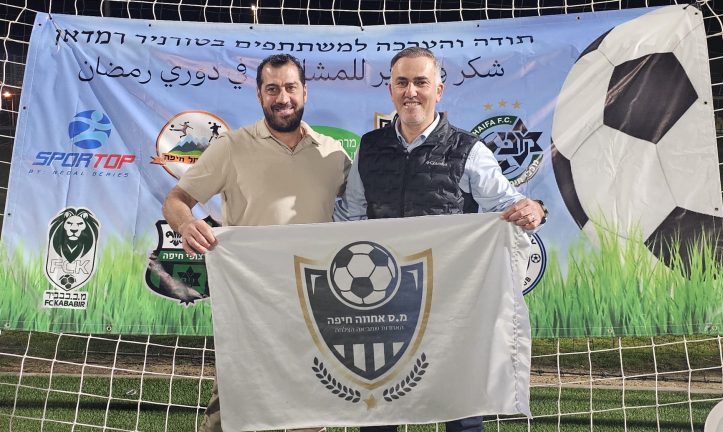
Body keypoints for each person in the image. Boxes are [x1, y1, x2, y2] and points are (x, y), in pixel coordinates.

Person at [334, 47, 547, 432]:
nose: (411, 92)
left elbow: (507, 202)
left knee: (461, 410)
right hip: (381, 300)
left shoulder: (468, 149)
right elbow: (350, 217)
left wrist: (534, 208)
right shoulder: (370, 147)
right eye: (402, 82)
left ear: (439, 90)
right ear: (390, 90)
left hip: (450, 301)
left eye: (421, 82)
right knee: (377, 409)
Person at [162, 53, 350, 432]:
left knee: (308, 413)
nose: (283, 98)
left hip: (314, 306)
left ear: (305, 92)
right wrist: (186, 224)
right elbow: (176, 201)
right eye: (272, 89)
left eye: (290, 88)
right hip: (248, 304)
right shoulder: (231, 147)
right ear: (260, 95)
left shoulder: (334, 154)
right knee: (232, 415)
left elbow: (363, 217)